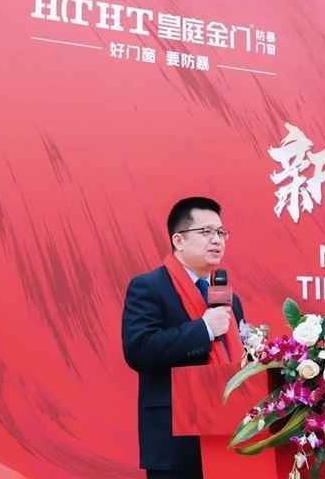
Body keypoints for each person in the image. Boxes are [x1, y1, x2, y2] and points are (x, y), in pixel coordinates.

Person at [122, 197, 244, 479]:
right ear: (178, 240)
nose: (217, 240)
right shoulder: (149, 287)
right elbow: (139, 349)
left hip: (228, 434)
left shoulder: (228, 298)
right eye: (206, 232)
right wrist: (204, 330)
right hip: (175, 441)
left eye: (221, 232)